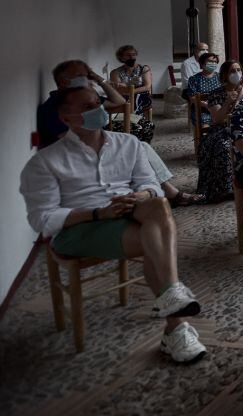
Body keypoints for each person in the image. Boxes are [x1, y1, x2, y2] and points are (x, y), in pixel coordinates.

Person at [20, 86, 207, 362]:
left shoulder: (128, 143)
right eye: (86, 107)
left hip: (127, 214)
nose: (97, 109)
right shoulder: (47, 161)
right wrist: (97, 213)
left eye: (97, 103)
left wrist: (140, 195)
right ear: (65, 117)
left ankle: (172, 302)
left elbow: (151, 184)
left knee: (158, 204)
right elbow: (43, 219)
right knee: (153, 238)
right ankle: (175, 325)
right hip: (79, 228)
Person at [38, 59, 126, 149]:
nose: (86, 79)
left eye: (88, 76)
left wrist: (99, 80)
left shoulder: (84, 99)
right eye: (80, 76)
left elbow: (119, 101)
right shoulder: (55, 106)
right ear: (63, 81)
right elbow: (75, 144)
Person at [196, 60, 243, 203]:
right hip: (222, 128)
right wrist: (227, 102)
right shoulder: (216, 94)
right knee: (224, 145)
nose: (236, 74)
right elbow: (217, 119)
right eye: (232, 71)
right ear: (225, 75)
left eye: (238, 70)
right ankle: (226, 188)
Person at [110, 44, 153, 119]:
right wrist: (126, 89)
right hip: (124, 96)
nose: (132, 57)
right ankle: (126, 122)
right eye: (128, 55)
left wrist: (131, 91)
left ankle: (134, 121)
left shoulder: (144, 69)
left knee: (134, 101)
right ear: (121, 57)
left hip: (142, 96)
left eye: (134, 54)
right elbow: (118, 88)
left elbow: (147, 86)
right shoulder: (116, 72)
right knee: (116, 102)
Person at [182, 51, 221, 127]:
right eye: (210, 61)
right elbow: (192, 98)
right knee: (205, 123)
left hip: (219, 108)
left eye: (215, 62)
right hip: (201, 110)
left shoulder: (220, 77)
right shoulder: (194, 79)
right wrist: (207, 105)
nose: (213, 64)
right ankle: (206, 138)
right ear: (202, 63)